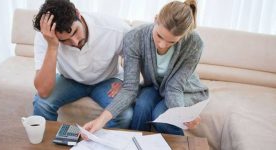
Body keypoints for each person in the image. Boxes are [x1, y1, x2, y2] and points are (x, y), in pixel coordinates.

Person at [82, 0, 209, 136]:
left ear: (183, 36)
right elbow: (130, 87)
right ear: (155, 20)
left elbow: (174, 86)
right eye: (159, 36)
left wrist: (182, 114)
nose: (162, 45)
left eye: (171, 42)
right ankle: (135, 143)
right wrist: (100, 121)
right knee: (141, 106)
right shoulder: (134, 37)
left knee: (161, 116)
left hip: (183, 90)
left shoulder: (195, 43)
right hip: (154, 86)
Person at [32, 0, 133, 129]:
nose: (75, 41)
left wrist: (126, 81)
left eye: (75, 32)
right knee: (42, 103)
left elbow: (138, 57)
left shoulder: (114, 28)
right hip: (70, 80)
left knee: (124, 114)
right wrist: (52, 45)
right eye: (64, 40)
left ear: (78, 14)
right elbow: (43, 91)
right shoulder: (46, 36)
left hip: (107, 80)